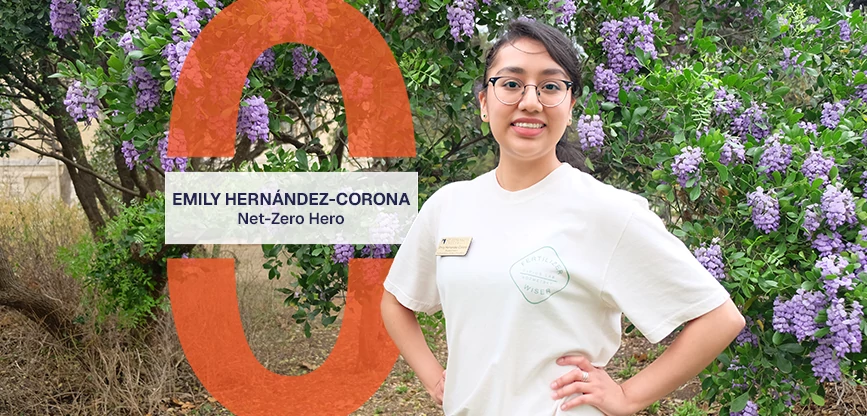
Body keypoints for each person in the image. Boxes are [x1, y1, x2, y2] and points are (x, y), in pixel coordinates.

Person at [380, 18, 745, 416]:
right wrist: (436, 379)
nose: (531, 101)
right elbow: (397, 301)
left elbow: (718, 318)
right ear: (484, 102)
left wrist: (629, 395)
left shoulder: (606, 211)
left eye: (551, 86)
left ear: (570, 107)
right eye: (512, 83)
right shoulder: (449, 205)